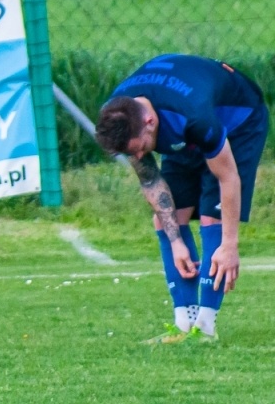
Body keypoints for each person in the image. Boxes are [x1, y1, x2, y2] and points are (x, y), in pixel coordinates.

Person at [94, 55, 268, 342]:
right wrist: (176, 242)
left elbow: (228, 179)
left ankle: (205, 328)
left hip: (238, 120)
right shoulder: (120, 115)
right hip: (180, 127)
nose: (139, 157)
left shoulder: (194, 116)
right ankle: (184, 324)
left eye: (140, 149)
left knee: (212, 216)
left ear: (149, 122)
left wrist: (230, 245)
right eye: (131, 153)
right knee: (166, 220)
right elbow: (151, 180)